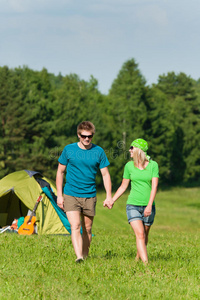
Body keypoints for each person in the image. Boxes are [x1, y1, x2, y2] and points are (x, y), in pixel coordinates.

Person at [56, 121, 112, 263]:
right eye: (84, 136)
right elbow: (60, 172)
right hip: (71, 193)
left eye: (90, 136)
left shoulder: (98, 151)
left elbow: (105, 174)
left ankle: (85, 256)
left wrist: (109, 196)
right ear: (78, 135)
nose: (87, 139)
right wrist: (59, 195)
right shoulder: (69, 150)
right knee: (75, 226)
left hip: (89, 195)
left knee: (87, 229)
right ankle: (79, 257)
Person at [104, 138, 159, 264]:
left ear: (139, 150)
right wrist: (112, 200)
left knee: (144, 235)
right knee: (139, 234)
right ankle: (146, 264)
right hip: (132, 205)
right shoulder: (129, 166)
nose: (129, 150)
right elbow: (123, 186)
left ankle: (138, 258)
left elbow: (154, 186)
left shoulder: (153, 165)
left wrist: (149, 205)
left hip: (148, 205)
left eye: (132, 147)